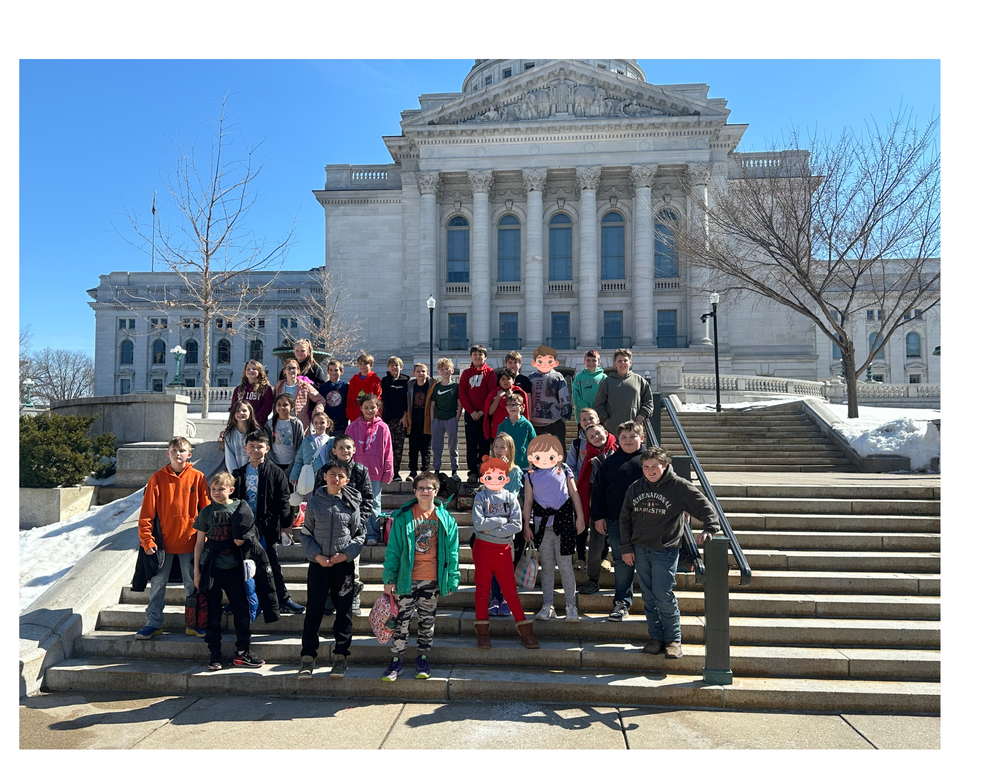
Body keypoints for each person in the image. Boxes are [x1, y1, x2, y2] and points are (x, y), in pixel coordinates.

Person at [620, 446, 720, 659]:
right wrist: (626, 548)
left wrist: (710, 529)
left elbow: (705, 507)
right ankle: (655, 638)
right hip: (640, 548)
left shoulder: (679, 486)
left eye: (654, 466)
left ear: (664, 466)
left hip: (665, 550)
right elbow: (625, 520)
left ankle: (674, 640)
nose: (650, 471)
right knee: (648, 596)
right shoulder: (635, 488)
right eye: (645, 467)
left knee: (663, 594)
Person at [380, 472, 461, 681]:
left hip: (432, 579)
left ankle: (422, 658)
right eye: (421, 488)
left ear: (436, 491)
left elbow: (453, 552)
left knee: (427, 621)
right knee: (401, 621)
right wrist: (389, 578)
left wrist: (452, 577)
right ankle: (396, 660)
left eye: (429, 488)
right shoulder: (403, 517)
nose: (425, 491)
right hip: (406, 579)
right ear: (414, 491)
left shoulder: (446, 519)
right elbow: (393, 550)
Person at [193, 471, 272, 670]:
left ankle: (243, 651)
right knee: (213, 612)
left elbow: (252, 532)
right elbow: (198, 543)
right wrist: (196, 571)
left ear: (231, 490)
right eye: (213, 489)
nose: (217, 493)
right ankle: (215, 653)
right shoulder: (206, 512)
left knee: (241, 610)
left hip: (236, 567)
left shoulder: (240, 508)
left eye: (221, 489)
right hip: (212, 566)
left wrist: (243, 538)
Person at [135, 436, 210, 640]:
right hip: (162, 544)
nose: (178, 454)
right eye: (174, 450)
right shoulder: (157, 478)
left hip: (191, 541)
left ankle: (193, 623)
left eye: (182, 450)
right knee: (158, 584)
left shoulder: (198, 477)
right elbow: (146, 514)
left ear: (189, 454)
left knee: (191, 583)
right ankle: (153, 622)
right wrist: (147, 540)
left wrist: (207, 539)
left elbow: (207, 511)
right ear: (168, 453)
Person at [297, 460, 365, 679]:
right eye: (332, 474)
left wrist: (345, 555)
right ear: (325, 476)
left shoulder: (351, 503)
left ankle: (341, 657)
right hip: (318, 566)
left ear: (346, 480)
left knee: (344, 613)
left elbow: (359, 535)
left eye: (341, 475)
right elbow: (305, 533)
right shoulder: (315, 502)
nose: (336, 479)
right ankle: (308, 657)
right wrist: (317, 556)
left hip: (342, 566)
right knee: (314, 612)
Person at [577, 420, 647, 624]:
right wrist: (598, 517)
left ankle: (654, 601)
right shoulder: (610, 461)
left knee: (647, 562)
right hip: (617, 522)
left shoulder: (649, 460)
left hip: (647, 522)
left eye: (632, 436)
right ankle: (622, 602)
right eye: (623, 437)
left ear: (641, 438)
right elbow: (598, 492)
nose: (627, 440)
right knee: (622, 561)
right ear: (617, 439)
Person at [233, 429, 304, 614]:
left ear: (267, 449)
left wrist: (286, 525)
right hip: (245, 528)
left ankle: (283, 598)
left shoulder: (276, 472)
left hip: (268, 526)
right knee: (243, 564)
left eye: (260, 447)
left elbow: (284, 499)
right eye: (251, 446)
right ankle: (240, 600)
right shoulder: (238, 473)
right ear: (245, 448)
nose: (255, 450)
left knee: (271, 563)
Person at [471, 456, 538, 650]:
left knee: (510, 590)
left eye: (499, 476)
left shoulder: (511, 498)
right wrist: (502, 521)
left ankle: (526, 632)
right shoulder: (480, 497)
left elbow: (516, 525)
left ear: (506, 478)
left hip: (503, 549)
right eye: (489, 475)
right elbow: (478, 524)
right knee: (482, 591)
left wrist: (491, 527)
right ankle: (482, 633)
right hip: (483, 549)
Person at [522, 435, 585, 623]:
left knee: (565, 566)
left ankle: (570, 605)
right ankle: (548, 605)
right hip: (542, 526)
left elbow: (574, 493)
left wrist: (580, 517)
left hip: (564, 524)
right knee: (547, 567)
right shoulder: (530, 475)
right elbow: (528, 502)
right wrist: (527, 525)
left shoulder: (564, 469)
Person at [324, 434, 375, 615]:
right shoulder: (326, 470)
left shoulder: (360, 471)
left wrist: (359, 522)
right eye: (341, 448)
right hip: (329, 526)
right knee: (329, 560)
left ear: (354, 450)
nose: (345, 451)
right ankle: (330, 596)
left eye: (348, 448)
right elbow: (318, 495)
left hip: (353, 528)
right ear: (334, 451)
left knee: (352, 562)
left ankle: (353, 596)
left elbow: (368, 499)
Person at [484, 432, 524, 618]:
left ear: (510, 450)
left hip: (507, 525)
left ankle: (507, 598)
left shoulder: (515, 471)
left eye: (503, 447)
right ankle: (495, 598)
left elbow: (511, 496)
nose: (499, 451)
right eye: (496, 447)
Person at [347, 394, 394, 546]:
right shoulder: (352, 427)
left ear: (378, 408)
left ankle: (373, 533)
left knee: (374, 504)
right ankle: (357, 532)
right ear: (360, 408)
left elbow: (388, 451)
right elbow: (346, 450)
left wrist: (388, 470)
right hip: (356, 472)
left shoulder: (383, 427)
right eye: (366, 407)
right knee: (354, 503)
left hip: (375, 472)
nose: (369, 410)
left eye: (372, 407)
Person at [574, 423, 618, 570]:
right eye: (592, 437)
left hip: (612, 497)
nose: (596, 438)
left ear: (605, 432)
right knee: (585, 527)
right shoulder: (589, 454)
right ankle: (581, 557)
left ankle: (604, 557)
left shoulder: (617, 450)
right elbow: (586, 478)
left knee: (605, 530)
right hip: (592, 498)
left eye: (598, 434)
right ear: (588, 441)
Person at [593, 348, 654, 435]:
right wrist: (606, 421)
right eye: (619, 361)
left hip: (634, 429)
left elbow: (649, 400)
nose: (622, 363)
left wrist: (642, 414)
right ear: (615, 363)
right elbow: (599, 404)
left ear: (630, 363)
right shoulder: (607, 382)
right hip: (613, 430)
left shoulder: (639, 380)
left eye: (625, 360)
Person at [459, 344, 497, 482]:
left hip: (485, 414)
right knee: (471, 443)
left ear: (485, 357)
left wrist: (481, 411)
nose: (477, 357)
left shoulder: (490, 372)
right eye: (475, 354)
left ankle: (484, 469)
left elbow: (491, 393)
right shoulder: (466, 374)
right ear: (471, 356)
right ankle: (472, 471)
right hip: (470, 414)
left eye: (480, 354)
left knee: (484, 443)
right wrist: (471, 411)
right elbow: (462, 393)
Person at [527, 345, 572, 453]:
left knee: (558, 451)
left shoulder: (557, 376)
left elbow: (565, 397)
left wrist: (564, 417)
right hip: (534, 423)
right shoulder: (530, 378)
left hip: (554, 422)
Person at [427, 357, 461, 479]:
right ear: (439, 372)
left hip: (451, 418)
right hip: (437, 419)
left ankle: (454, 469)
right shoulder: (436, 387)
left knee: (453, 446)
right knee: (437, 446)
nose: (445, 371)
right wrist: (432, 420)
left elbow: (459, 404)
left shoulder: (456, 386)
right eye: (442, 369)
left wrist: (456, 418)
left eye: (447, 368)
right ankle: (436, 468)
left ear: (452, 370)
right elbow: (432, 405)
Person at [289, 411, 334, 501]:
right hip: (311, 475)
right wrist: (294, 476)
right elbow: (299, 460)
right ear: (312, 424)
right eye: (316, 423)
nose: (319, 425)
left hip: (328, 475)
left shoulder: (332, 441)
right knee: (312, 501)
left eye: (322, 422)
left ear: (328, 424)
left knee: (328, 500)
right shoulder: (306, 441)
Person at [273, 358, 324, 430]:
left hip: (301, 424)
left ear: (298, 371)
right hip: (282, 423)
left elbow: (321, 399)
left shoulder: (304, 385)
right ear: (284, 371)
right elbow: (272, 401)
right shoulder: (279, 386)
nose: (291, 370)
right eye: (289, 368)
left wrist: (317, 411)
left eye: (294, 368)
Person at [483, 367, 530, 445]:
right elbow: (490, 412)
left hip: (515, 428)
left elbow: (522, 411)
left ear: (513, 380)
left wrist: (510, 397)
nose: (505, 381)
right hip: (498, 429)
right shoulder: (494, 393)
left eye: (508, 379)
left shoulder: (519, 392)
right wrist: (498, 398)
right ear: (499, 381)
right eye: (503, 379)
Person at [381, 356, 410, 483]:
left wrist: (405, 416)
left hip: (400, 420)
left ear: (401, 367)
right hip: (387, 420)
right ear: (388, 368)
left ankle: (396, 472)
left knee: (398, 447)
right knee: (387, 448)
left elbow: (407, 401)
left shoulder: (406, 381)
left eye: (397, 365)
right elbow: (384, 400)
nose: (394, 368)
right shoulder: (385, 381)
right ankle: (387, 471)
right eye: (392, 365)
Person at [404, 362, 434, 479]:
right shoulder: (410, 386)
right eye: (418, 371)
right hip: (413, 421)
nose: (421, 373)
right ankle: (412, 471)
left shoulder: (431, 386)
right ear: (414, 373)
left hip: (426, 421)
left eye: (423, 371)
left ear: (428, 373)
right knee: (413, 448)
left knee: (425, 449)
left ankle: (425, 471)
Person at [222, 400, 268, 473]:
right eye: (237, 411)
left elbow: (256, 452)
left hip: (253, 471)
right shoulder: (229, 434)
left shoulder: (256, 431)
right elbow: (229, 457)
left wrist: (250, 470)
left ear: (250, 412)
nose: (241, 413)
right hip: (235, 472)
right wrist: (235, 473)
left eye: (244, 410)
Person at [267, 393, 305, 480]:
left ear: (292, 407)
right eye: (279, 404)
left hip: (291, 464)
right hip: (274, 463)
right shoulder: (269, 424)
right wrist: (273, 465)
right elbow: (267, 445)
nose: (282, 407)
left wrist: (292, 466)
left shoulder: (296, 423)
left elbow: (300, 446)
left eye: (285, 405)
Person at [497, 393, 536, 474]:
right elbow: (497, 445)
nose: (513, 407)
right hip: (508, 464)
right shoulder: (502, 426)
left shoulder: (527, 425)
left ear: (522, 407)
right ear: (506, 407)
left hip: (525, 465)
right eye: (510, 405)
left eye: (515, 404)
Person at [229, 360, 274, 428]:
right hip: (240, 424)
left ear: (260, 371)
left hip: (258, 425)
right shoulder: (238, 389)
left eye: (254, 369)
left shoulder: (266, 389)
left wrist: (253, 419)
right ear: (245, 372)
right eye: (248, 369)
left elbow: (267, 407)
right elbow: (233, 407)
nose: (251, 371)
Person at [571, 350, 607, 424]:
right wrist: (586, 409)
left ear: (599, 362)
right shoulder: (579, 377)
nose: (591, 363)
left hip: (599, 416)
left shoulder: (604, 377)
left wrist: (597, 409)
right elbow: (576, 396)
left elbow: (607, 396)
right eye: (588, 360)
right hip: (583, 417)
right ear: (584, 362)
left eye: (594, 360)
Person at [346, 352, 382, 424]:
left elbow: (378, 397)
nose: (363, 366)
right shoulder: (353, 380)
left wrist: (377, 413)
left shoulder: (376, 380)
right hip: (356, 416)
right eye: (360, 364)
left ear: (371, 365)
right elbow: (349, 398)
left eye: (365, 364)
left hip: (371, 415)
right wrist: (350, 414)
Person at [566, 407, 601, 480]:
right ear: (580, 423)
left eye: (591, 418)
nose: (588, 421)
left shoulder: (605, 441)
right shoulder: (576, 444)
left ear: (598, 420)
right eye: (584, 419)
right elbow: (570, 466)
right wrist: (579, 480)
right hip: (582, 483)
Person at [318, 359, 350, 435]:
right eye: (331, 370)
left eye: (336, 370)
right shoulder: (323, 387)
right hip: (328, 423)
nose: (333, 372)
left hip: (342, 423)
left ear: (341, 371)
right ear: (328, 371)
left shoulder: (345, 386)